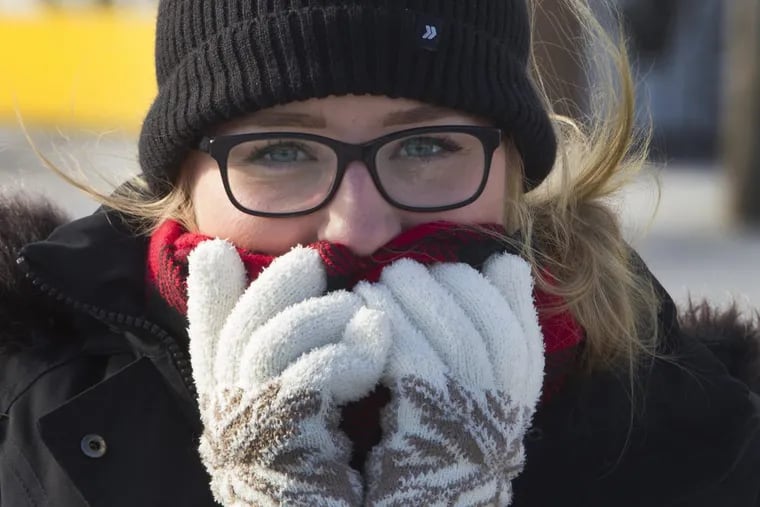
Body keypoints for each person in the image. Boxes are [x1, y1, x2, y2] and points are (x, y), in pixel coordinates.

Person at [1, 0, 759, 505]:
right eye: (281, 151)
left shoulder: (693, 431)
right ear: (182, 184)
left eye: (426, 145)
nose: (356, 226)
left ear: (513, 173)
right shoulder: (27, 407)